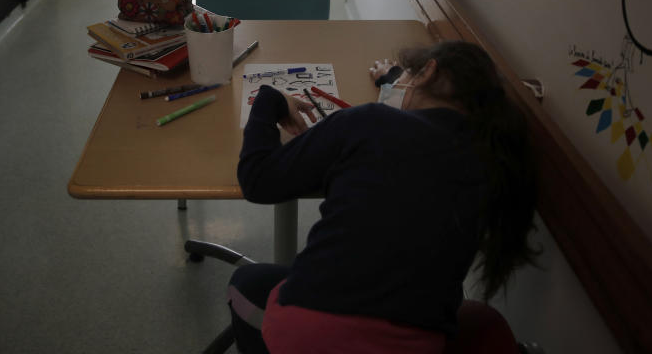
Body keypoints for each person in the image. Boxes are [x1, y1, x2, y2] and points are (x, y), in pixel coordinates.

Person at [226, 40, 540, 353]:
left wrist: (270, 99)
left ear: (429, 72)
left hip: (311, 331)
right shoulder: (493, 165)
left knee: (245, 283)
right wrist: (392, 81)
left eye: (407, 77)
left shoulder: (370, 121)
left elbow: (257, 180)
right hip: (418, 343)